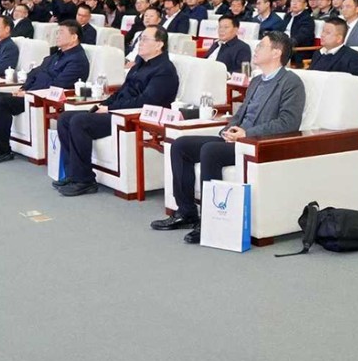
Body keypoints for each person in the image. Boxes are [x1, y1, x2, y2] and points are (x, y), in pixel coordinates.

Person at [151, 31, 305, 242]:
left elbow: (289, 122)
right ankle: (186, 212)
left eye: (261, 46)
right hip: (237, 139)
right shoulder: (257, 80)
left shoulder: (291, 82)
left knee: (210, 151)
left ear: (276, 52)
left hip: (256, 144)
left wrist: (247, 133)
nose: (256, 49)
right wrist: (229, 129)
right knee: (181, 145)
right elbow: (240, 114)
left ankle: (210, 220)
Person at [54, 26, 181, 197]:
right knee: (65, 118)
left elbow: (146, 102)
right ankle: (72, 174)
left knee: (79, 122)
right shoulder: (138, 66)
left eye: (145, 39)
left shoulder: (164, 70)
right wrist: (102, 105)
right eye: (139, 39)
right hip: (118, 111)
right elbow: (122, 91)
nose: (140, 43)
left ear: (159, 44)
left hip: (133, 118)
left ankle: (84, 180)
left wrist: (110, 108)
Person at [0, 22, 89, 165]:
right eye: (57, 32)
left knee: (2, 102)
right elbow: (34, 72)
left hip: (44, 99)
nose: (57, 36)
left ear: (74, 37)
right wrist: (24, 88)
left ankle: (2, 150)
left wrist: (29, 94)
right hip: (31, 93)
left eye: (61, 32)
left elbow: (58, 85)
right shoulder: (57, 54)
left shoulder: (77, 59)